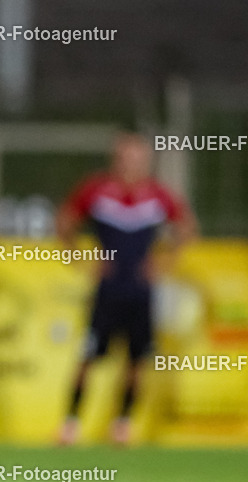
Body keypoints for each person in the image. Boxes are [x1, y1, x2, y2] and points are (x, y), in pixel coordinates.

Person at [57, 133, 198, 446]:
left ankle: (122, 424)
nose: (131, 165)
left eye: (138, 158)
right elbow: (65, 221)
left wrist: (163, 263)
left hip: (140, 290)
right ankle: (70, 423)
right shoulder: (96, 190)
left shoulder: (157, 195)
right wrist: (79, 258)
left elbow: (187, 227)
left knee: (137, 360)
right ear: (115, 159)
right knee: (89, 356)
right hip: (107, 289)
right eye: (125, 158)